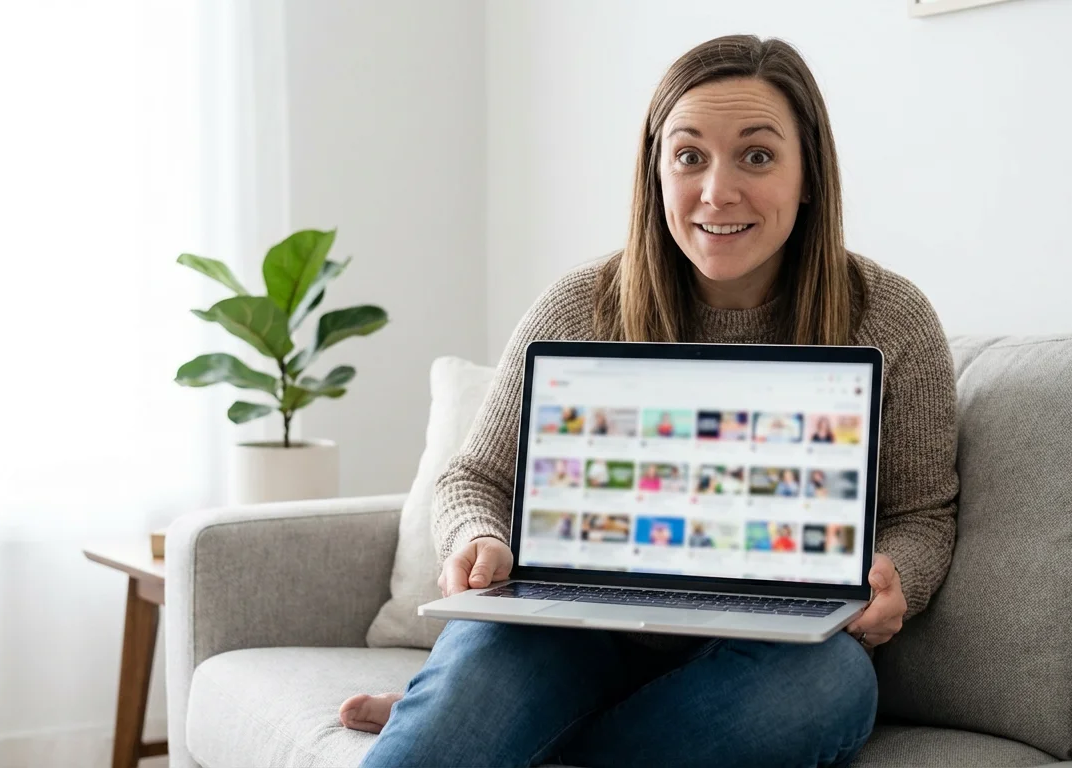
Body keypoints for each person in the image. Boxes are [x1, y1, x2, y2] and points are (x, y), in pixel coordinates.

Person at [340, 35, 958, 767]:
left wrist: (897, 577)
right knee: (479, 678)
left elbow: (921, 514)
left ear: (809, 175)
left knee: (829, 689)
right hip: (569, 630)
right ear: (656, 172)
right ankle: (462, 714)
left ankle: (486, 723)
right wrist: (477, 539)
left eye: (757, 157)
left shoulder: (891, 318)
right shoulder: (580, 306)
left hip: (771, 650)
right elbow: (474, 477)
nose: (716, 191)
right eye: (689, 156)